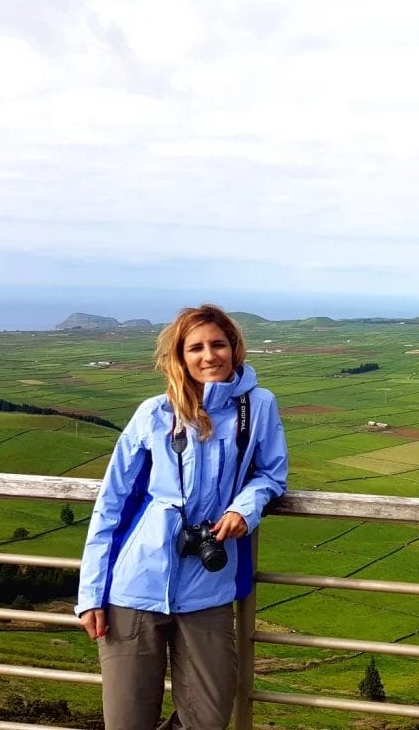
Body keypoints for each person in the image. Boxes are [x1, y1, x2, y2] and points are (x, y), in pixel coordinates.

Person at [76, 304, 288, 730]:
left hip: (207, 587)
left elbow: (271, 474)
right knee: (127, 721)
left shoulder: (257, 407)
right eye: (196, 347)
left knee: (208, 718)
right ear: (180, 356)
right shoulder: (153, 413)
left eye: (218, 344)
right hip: (133, 586)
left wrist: (243, 509)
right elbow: (111, 504)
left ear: (235, 348)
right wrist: (91, 594)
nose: (209, 355)